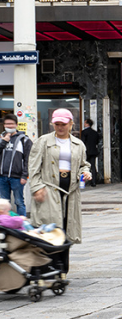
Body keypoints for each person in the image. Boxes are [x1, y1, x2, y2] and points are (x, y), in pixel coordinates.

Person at [29, 109, 92, 274]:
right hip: (49, 190)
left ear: (71, 124)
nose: (60, 127)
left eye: (63, 124)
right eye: (57, 124)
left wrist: (85, 172)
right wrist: (37, 188)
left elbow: (83, 164)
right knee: (49, 229)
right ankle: (45, 267)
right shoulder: (42, 142)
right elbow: (33, 168)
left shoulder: (78, 144)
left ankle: (62, 269)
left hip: (70, 192)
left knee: (66, 229)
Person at [0, 114, 33, 216]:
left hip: (17, 178)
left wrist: (24, 175)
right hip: (2, 177)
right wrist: (3, 142)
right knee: (4, 204)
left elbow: (29, 159)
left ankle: (21, 225)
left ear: (16, 125)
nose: (9, 126)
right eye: (7, 124)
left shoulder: (24, 140)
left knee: (19, 202)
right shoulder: (1, 138)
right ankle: (6, 225)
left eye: (11, 124)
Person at [80, 119, 101, 187]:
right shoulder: (95, 132)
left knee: (83, 166)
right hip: (93, 151)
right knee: (93, 166)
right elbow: (97, 141)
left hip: (86, 151)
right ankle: (93, 182)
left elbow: (82, 142)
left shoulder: (84, 132)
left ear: (87, 124)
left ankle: (83, 182)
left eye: (84, 122)